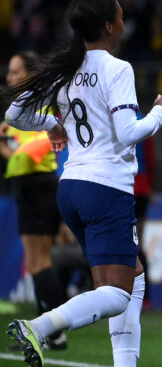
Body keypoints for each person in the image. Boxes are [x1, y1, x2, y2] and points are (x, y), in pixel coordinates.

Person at [4, 0, 162, 367]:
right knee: (115, 294)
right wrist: (160, 112)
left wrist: (51, 124)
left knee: (134, 277)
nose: (125, 23)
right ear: (110, 27)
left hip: (71, 188)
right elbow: (129, 132)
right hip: (106, 188)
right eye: (122, 17)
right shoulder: (117, 68)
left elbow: (15, 113)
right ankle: (41, 326)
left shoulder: (65, 68)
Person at [1, 51, 68, 351]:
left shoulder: (42, 106)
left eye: (16, 72)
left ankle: (54, 332)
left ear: (29, 73)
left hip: (38, 187)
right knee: (39, 261)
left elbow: (24, 157)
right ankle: (46, 330)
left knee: (38, 261)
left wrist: (3, 144)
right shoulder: (27, 109)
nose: (9, 78)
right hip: (33, 188)